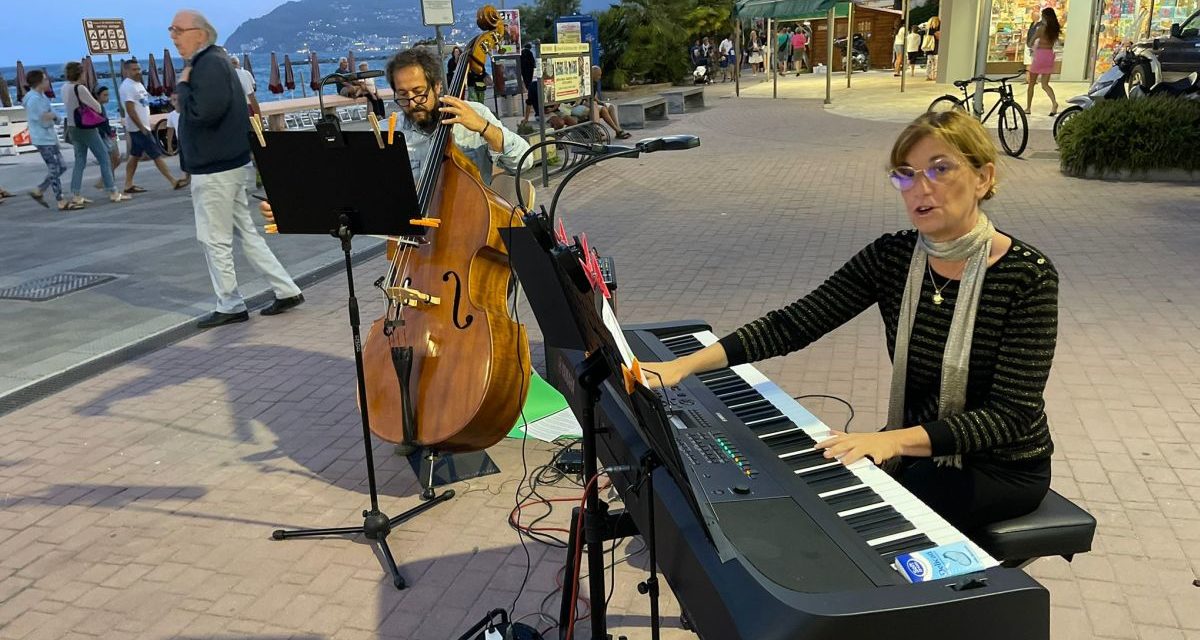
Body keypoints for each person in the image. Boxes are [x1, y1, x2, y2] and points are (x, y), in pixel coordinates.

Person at [641, 110, 1058, 534]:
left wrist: (892, 440)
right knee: (806, 482)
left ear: (983, 178)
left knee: (847, 523)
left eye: (940, 168)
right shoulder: (893, 257)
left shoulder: (1027, 276)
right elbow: (796, 323)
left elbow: (1010, 416)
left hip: (1000, 467)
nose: (920, 187)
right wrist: (683, 366)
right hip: (916, 445)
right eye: (906, 174)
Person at [171, 9, 304, 329]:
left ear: (200, 34)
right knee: (245, 233)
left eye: (179, 30)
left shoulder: (206, 66)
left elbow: (204, 113)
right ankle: (286, 289)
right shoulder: (215, 62)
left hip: (215, 169)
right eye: (171, 30)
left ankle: (229, 302)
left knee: (213, 238)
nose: (174, 36)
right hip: (228, 164)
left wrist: (184, 88)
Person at [385, 47, 531, 184]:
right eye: (403, 95)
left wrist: (484, 127)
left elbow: (524, 162)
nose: (412, 104)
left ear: (437, 86)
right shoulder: (386, 132)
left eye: (418, 92)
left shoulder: (476, 113)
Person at [62, 61, 127, 205]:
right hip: (86, 128)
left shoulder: (65, 87)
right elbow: (97, 107)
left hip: (72, 127)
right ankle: (113, 191)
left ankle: (76, 194)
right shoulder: (80, 88)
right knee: (104, 157)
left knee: (80, 161)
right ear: (80, 73)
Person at [120, 59, 185, 193]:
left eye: (138, 69)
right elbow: (130, 109)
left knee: (134, 156)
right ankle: (173, 181)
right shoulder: (127, 87)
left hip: (143, 126)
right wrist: (142, 127)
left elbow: (142, 105)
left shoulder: (138, 84)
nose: (138, 72)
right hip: (139, 128)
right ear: (126, 71)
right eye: (134, 69)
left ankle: (128, 184)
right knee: (156, 155)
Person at [22, 70, 73, 210]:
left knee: (61, 166)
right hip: (42, 138)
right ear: (39, 82)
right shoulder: (33, 100)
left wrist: (53, 116)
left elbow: (50, 114)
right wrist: (52, 117)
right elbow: (41, 118)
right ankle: (60, 200)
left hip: (49, 137)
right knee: (55, 167)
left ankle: (39, 190)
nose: (48, 82)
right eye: (45, 80)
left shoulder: (42, 97)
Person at [1026, 7, 1061, 116]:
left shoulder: (1041, 29)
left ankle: (1028, 108)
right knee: (1045, 84)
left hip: (1040, 56)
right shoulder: (1055, 29)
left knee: (1031, 84)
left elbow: (1030, 43)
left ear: (1045, 17)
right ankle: (1054, 103)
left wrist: (1033, 43)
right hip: (1049, 55)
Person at [92, 86, 122, 190]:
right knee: (114, 159)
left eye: (108, 94)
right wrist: (110, 133)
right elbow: (101, 123)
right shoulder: (97, 107)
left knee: (113, 160)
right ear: (97, 96)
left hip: (105, 135)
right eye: (105, 95)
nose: (107, 97)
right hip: (103, 136)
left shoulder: (100, 107)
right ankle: (106, 183)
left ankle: (106, 182)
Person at [520, 43, 538, 124]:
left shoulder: (522, 52)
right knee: (529, 82)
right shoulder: (529, 53)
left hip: (524, 70)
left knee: (527, 83)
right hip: (529, 70)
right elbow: (532, 62)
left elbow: (520, 61)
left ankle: (528, 89)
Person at [924, 17, 941, 82]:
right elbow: (938, 37)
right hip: (935, 48)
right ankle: (935, 76)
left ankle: (928, 76)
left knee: (929, 63)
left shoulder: (928, 29)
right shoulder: (937, 29)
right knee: (936, 63)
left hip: (929, 48)